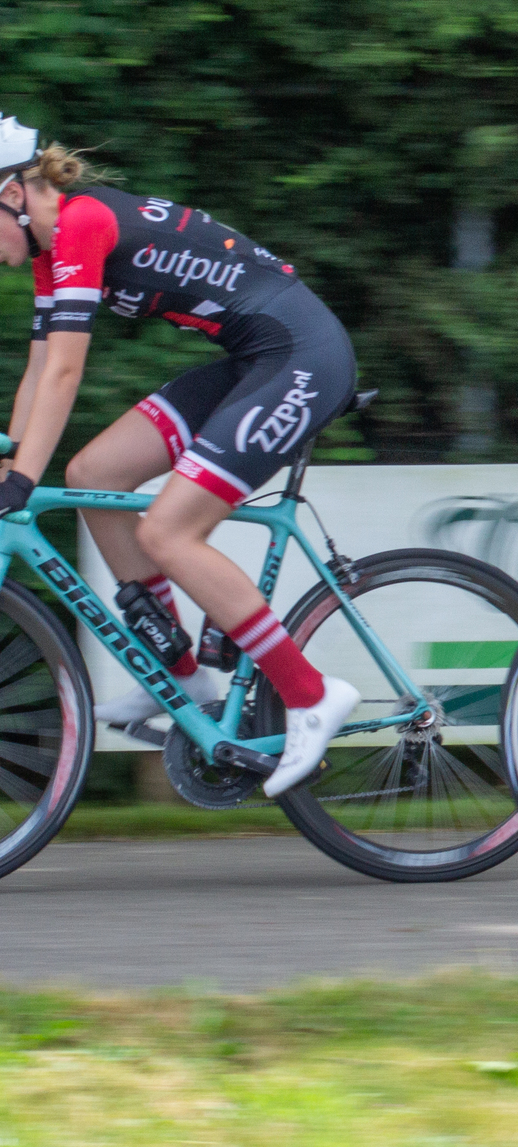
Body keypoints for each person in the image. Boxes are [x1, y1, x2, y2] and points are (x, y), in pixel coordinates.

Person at [0, 117, 361, 794]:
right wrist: (11, 460)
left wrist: (20, 480)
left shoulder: (78, 226)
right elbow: (40, 366)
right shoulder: (53, 250)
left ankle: (311, 695)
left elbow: (66, 376)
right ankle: (181, 675)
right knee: (92, 475)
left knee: (168, 532)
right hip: (256, 358)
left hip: (302, 355)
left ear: (14, 194)